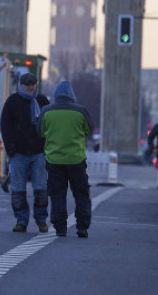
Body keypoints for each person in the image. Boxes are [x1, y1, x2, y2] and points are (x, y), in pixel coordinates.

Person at [38, 80, 93, 238]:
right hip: (76, 160)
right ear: (71, 94)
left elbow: (40, 131)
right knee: (81, 194)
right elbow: (88, 130)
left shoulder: (46, 111)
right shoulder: (81, 111)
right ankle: (82, 226)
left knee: (57, 195)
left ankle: (60, 227)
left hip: (54, 160)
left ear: (55, 94)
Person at [0, 72, 51, 233]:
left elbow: (49, 125)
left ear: (36, 85)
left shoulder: (42, 101)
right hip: (19, 153)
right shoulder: (12, 102)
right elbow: (5, 126)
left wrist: (46, 147)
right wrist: (10, 148)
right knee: (18, 189)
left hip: (38, 152)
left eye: (32, 85)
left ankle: (41, 220)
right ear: (21, 86)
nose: (30, 88)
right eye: (27, 85)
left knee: (41, 189)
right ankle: (21, 221)